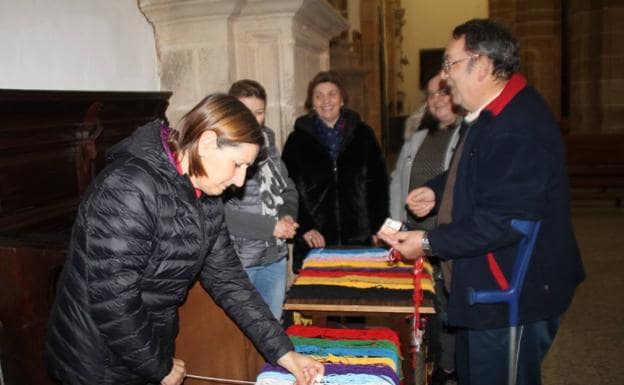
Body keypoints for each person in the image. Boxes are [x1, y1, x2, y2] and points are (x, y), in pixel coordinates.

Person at [44, 94, 324, 385]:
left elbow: (230, 281)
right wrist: (158, 365)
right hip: (94, 359)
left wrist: (285, 353)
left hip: (144, 344)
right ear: (206, 143)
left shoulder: (207, 199)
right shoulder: (128, 188)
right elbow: (113, 299)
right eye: (237, 164)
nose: (241, 181)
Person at [378, 19, 585, 385]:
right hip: (484, 292)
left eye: (449, 64)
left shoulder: (518, 125)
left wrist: (427, 242)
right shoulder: (492, 113)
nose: (445, 77)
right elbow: (479, 172)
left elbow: (503, 221)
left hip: (511, 297)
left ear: (483, 65)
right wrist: (438, 190)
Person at [389, 73, 462, 385]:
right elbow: (397, 182)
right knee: (418, 303)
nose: (437, 98)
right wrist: (392, 225)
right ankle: (424, 360)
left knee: (447, 303)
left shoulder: (467, 136)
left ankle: (448, 366)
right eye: (431, 93)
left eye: (444, 91)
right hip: (411, 232)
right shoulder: (418, 136)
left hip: (445, 234)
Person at [282, 70, 389, 272]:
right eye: (318, 95)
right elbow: (288, 188)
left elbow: (378, 185)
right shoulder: (297, 141)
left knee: (360, 295)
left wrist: (379, 227)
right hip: (317, 239)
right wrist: (303, 228)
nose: (326, 100)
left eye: (332, 93)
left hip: (360, 237)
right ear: (312, 103)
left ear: (342, 99)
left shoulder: (363, 134)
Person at [224, 79, 299, 321]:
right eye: (245, 112)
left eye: (259, 112)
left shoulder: (268, 143)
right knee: (241, 334)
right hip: (240, 260)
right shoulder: (221, 150)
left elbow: (287, 188)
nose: (253, 119)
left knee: (273, 327)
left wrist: (287, 215)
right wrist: (271, 226)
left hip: (274, 256)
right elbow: (221, 214)